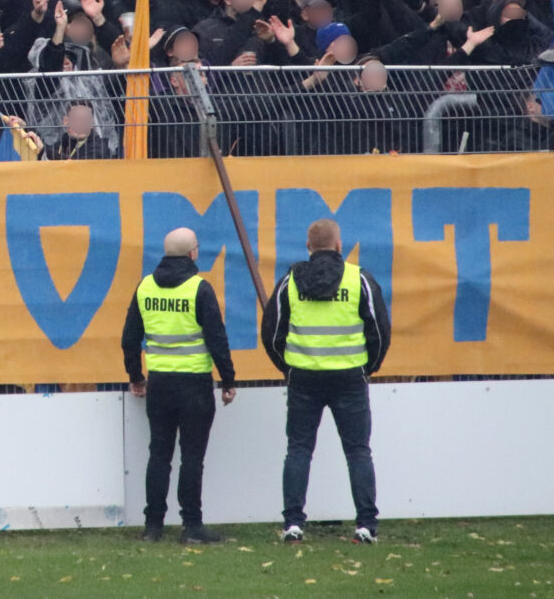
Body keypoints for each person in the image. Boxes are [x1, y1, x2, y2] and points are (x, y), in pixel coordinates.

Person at [261, 218, 391, 545]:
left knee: (299, 450)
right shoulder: (358, 279)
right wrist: (366, 368)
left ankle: (293, 523)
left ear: (308, 247)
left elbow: (272, 333)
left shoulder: (290, 281)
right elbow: (379, 331)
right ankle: (366, 525)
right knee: (358, 451)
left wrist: (288, 368)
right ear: (338, 246)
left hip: (303, 378)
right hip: (349, 377)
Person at [121, 227, 237, 545]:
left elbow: (129, 339)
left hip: (159, 385)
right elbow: (217, 339)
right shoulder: (200, 288)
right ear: (192, 253)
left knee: (159, 455)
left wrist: (136, 376)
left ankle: (153, 527)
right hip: (195, 386)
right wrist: (228, 379)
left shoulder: (145, 287)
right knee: (192, 458)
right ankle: (192, 527)